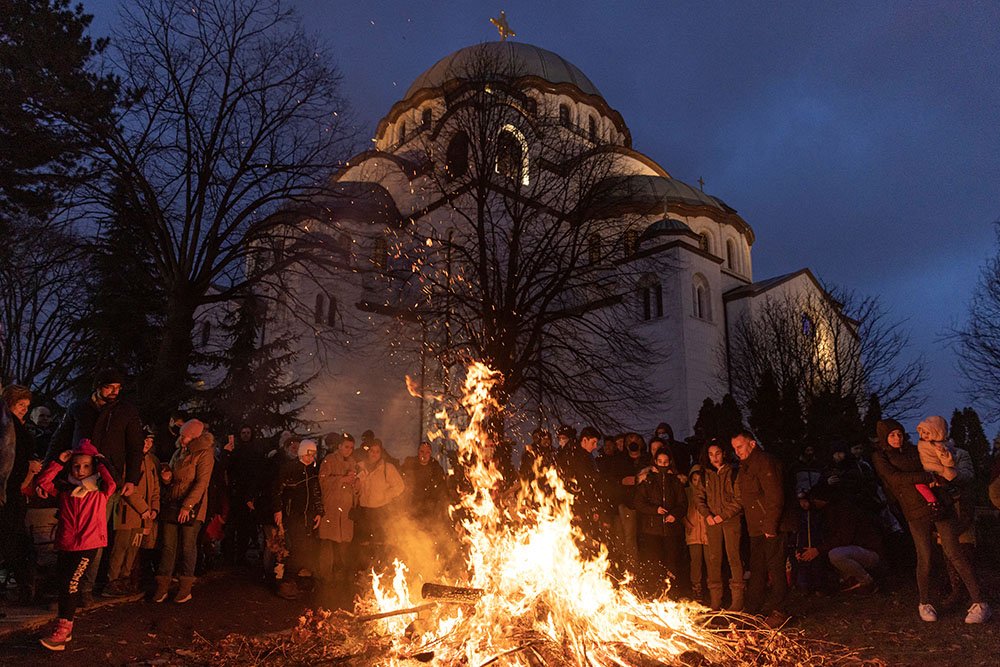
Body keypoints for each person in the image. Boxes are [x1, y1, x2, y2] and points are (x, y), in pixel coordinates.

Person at [872, 419, 989, 624]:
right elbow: (895, 478)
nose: (897, 438)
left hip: (939, 506)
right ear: (884, 438)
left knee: (955, 553)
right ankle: (924, 602)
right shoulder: (881, 457)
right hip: (915, 511)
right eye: (892, 435)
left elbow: (936, 464)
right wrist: (926, 477)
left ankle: (979, 603)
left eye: (899, 433)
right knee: (924, 557)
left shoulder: (916, 449)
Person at [45, 369, 144, 601]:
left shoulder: (125, 411)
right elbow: (60, 438)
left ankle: (85, 587)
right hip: (75, 478)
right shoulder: (78, 408)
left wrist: (131, 479)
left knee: (93, 534)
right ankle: (68, 583)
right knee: (70, 530)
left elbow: (135, 446)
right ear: (98, 386)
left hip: (104, 482)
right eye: (110, 387)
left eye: (118, 388)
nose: (114, 392)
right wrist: (48, 468)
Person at [35, 439, 116, 651]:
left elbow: (113, 484)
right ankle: (64, 627)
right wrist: (58, 462)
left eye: (86, 466)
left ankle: (63, 630)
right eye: (77, 466)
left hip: (88, 545)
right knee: (64, 585)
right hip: (67, 543)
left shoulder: (99, 492)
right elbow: (43, 482)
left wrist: (101, 463)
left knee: (71, 584)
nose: (81, 470)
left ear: (94, 467)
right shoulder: (65, 490)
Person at [154, 420, 215, 604]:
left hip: (191, 509)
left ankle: (185, 587)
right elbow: (173, 478)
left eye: (185, 436)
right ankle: (162, 586)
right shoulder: (178, 453)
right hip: (173, 505)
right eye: (181, 435)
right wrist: (166, 479)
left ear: (195, 436)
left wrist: (187, 506)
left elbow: (201, 483)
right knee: (168, 546)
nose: (181, 439)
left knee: (188, 546)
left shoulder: (205, 454)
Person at [732, 429, 788, 628]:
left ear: (752, 444)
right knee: (757, 568)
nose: (737, 451)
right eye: (735, 449)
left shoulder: (764, 461)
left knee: (776, 568)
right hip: (756, 527)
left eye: (740, 446)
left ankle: (780, 611)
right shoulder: (745, 466)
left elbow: (775, 495)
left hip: (771, 526)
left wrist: (770, 525)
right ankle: (753, 609)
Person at [796, 480, 884, 594]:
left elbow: (844, 538)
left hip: (869, 551)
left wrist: (818, 550)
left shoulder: (844, 510)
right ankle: (850, 580)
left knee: (836, 554)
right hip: (854, 550)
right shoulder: (826, 513)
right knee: (831, 553)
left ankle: (867, 581)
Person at [103, 426, 160, 597]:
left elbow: (155, 487)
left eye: (150, 441)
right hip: (128, 512)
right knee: (120, 547)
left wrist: (154, 508)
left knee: (133, 547)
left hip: (145, 515)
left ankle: (125, 578)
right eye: (145, 441)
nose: (147, 444)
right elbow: (128, 488)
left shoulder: (150, 461)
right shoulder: (129, 459)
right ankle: (112, 581)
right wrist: (143, 508)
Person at [1, 384, 40, 604]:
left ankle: (25, 584)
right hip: (9, 489)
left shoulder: (18, 427)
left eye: (27, 406)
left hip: (16, 490)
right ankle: (23, 584)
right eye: (21, 405)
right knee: (12, 538)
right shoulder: (8, 427)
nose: (24, 409)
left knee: (16, 538)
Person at [694, 442, 744, 611]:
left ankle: (737, 600)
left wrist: (722, 516)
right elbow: (699, 498)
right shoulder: (705, 475)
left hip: (730, 521)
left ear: (723, 453)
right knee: (714, 559)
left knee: (734, 558)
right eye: (710, 454)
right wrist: (708, 515)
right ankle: (716, 600)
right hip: (712, 522)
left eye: (717, 453)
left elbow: (739, 500)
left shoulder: (734, 473)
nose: (714, 458)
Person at [273, 439, 324, 600]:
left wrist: (319, 512)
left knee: (304, 548)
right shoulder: (289, 468)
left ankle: (295, 581)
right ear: (302, 452)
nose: (311, 457)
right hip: (292, 515)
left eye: (313, 454)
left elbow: (316, 493)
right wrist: (278, 510)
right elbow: (277, 491)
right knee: (292, 548)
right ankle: (286, 582)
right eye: (309, 454)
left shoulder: (312, 471)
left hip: (307, 516)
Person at [635, 449, 687, 595]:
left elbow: (683, 504)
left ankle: (671, 594)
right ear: (655, 462)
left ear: (669, 462)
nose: (663, 465)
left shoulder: (676, 481)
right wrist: (655, 510)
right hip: (652, 530)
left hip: (671, 530)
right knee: (654, 562)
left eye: (665, 462)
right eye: (660, 462)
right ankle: (654, 593)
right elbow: (639, 503)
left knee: (672, 563)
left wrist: (674, 515)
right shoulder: (647, 479)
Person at [318, 433, 359, 597]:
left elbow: (356, 489)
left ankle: (341, 579)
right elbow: (322, 481)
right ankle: (324, 578)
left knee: (343, 546)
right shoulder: (329, 460)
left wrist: (355, 483)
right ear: (340, 446)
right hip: (332, 509)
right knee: (327, 544)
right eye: (346, 446)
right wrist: (341, 480)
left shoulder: (353, 463)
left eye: (351, 447)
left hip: (346, 511)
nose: (349, 450)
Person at [356, 439, 404, 569]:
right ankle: (364, 570)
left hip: (380, 511)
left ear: (381, 453)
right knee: (364, 543)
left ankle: (380, 570)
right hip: (363, 511)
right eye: (372, 451)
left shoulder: (387, 468)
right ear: (368, 452)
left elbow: (400, 486)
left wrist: (386, 495)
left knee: (379, 543)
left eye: (377, 451)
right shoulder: (359, 467)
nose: (374, 454)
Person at [683, 466, 709, 601]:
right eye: (694, 479)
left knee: (711, 560)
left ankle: (711, 587)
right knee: (696, 561)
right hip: (692, 532)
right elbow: (681, 509)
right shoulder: (686, 492)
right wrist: (686, 522)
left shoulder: (708, 492)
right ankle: (696, 587)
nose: (697, 483)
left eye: (700, 480)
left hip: (707, 532)